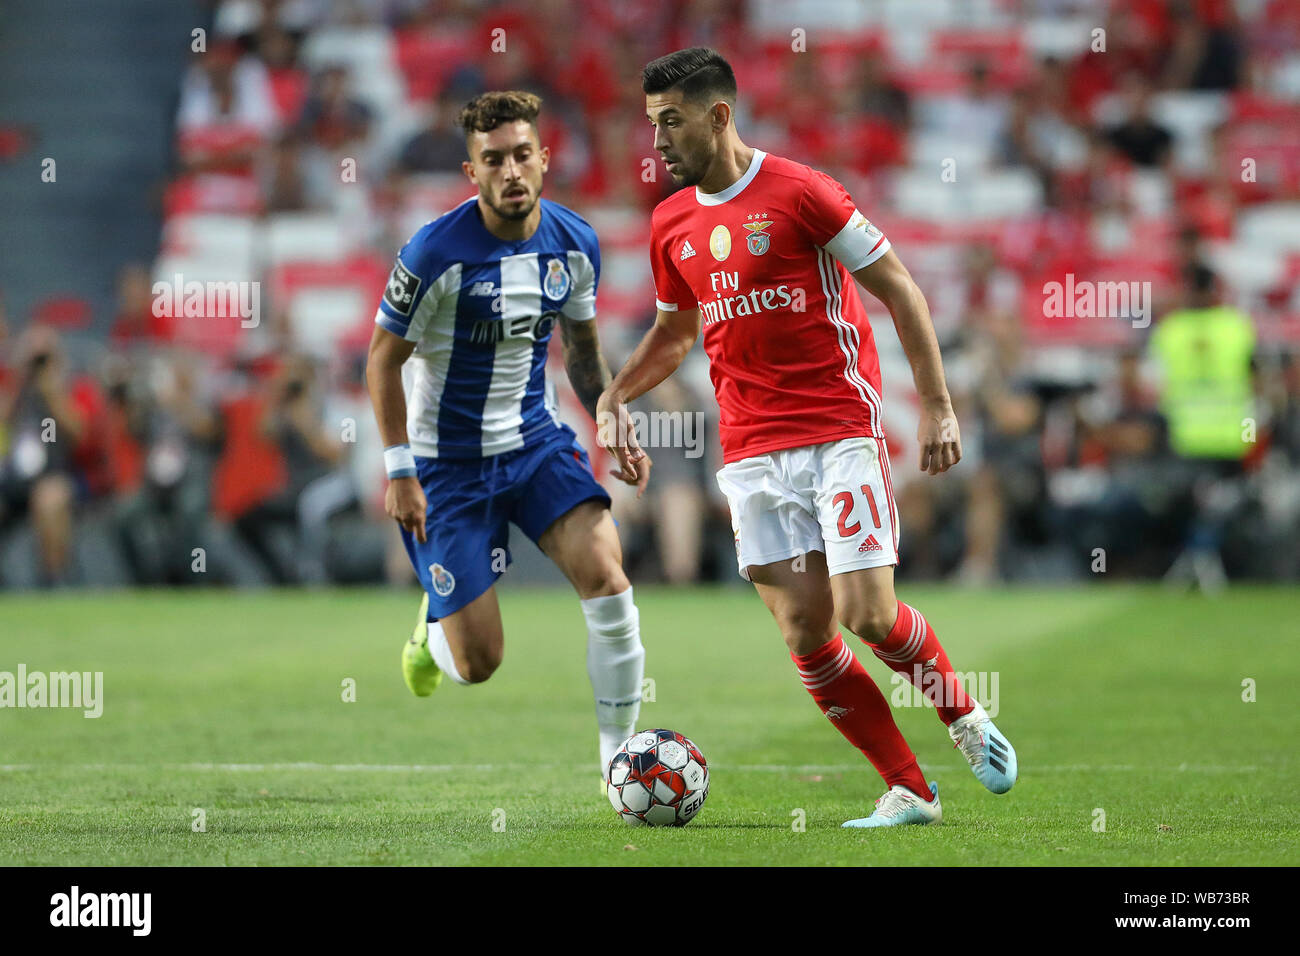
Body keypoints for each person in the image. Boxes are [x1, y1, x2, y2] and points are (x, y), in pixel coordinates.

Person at [598, 49, 1017, 828]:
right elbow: (673, 332)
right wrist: (616, 395)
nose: (655, 139)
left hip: (835, 431)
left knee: (867, 614)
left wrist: (937, 404)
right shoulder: (670, 223)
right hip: (751, 452)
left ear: (718, 116)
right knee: (805, 632)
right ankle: (909, 790)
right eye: (651, 122)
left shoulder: (801, 192)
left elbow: (899, 288)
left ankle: (962, 715)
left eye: (670, 121)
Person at [366, 90, 650, 775]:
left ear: (544, 159)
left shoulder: (576, 243)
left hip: (533, 444)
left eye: (523, 154)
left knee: (608, 578)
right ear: (473, 172)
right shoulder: (434, 252)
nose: (511, 171)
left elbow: (582, 355)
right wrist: (399, 468)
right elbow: (382, 358)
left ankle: (618, 762)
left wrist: (610, 410)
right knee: (479, 663)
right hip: (446, 468)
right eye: (493, 160)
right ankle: (433, 629)